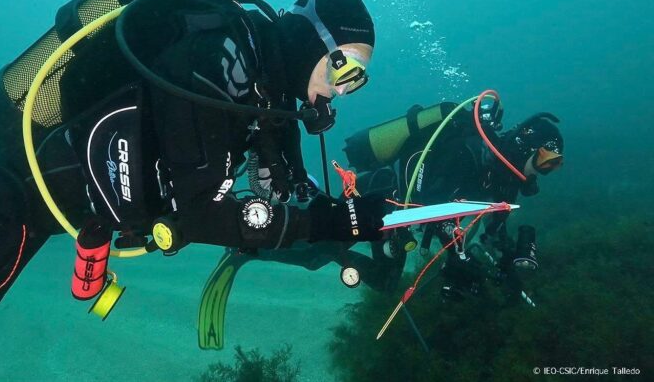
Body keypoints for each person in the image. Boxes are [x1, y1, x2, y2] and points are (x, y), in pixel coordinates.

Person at [0, 0, 388, 365]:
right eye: (344, 70)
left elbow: (284, 196)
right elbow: (201, 217)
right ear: (310, 41)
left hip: (72, 208)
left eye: (357, 81)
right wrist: (335, 223)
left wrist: (355, 231)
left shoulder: (270, 99)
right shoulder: (217, 59)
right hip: (21, 191)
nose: (343, 91)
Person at [196, 101, 564, 348]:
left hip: (399, 223)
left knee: (378, 278)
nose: (545, 169)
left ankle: (286, 239)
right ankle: (251, 239)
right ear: (525, 144)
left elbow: (491, 230)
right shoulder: (468, 152)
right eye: (546, 158)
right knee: (316, 242)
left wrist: (506, 262)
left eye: (554, 165)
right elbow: (422, 190)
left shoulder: (503, 182)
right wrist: (455, 253)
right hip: (378, 199)